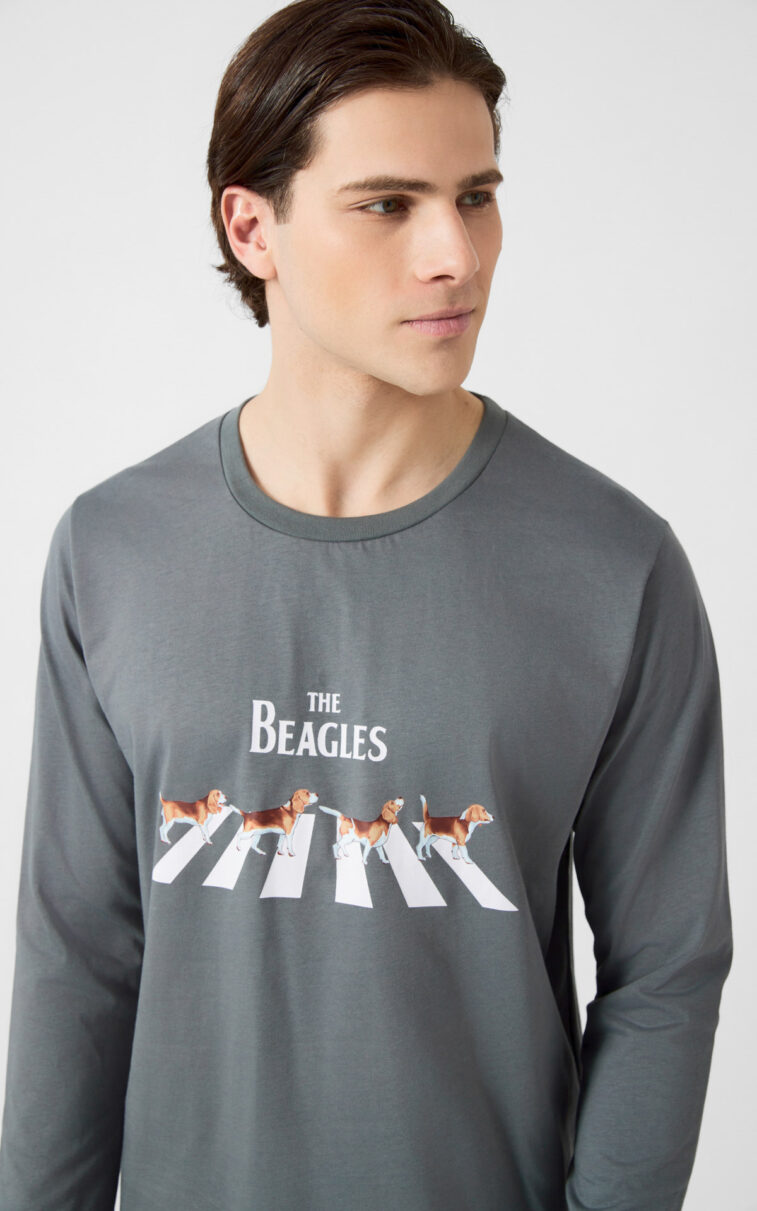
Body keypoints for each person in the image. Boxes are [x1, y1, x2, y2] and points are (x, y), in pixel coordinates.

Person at [0, 0, 733, 1208]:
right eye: (388, 203)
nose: (457, 254)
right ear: (253, 227)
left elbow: (667, 970)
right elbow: (77, 955)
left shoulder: (615, 566)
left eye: (476, 196)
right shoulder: (113, 549)